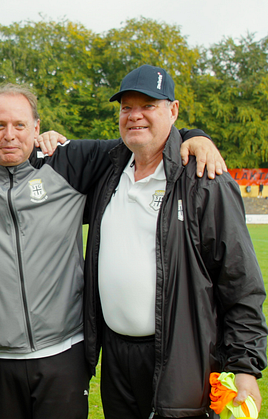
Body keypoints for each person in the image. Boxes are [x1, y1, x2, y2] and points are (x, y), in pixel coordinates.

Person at [0, 83, 225, 419]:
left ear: (37, 128)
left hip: (65, 351)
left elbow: (140, 139)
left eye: (20, 125)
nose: (10, 134)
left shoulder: (68, 162)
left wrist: (195, 136)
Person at [82, 64, 268, 418]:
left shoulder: (204, 180)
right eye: (126, 108)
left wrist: (245, 368)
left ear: (174, 110)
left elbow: (240, 282)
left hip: (182, 355)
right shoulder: (108, 172)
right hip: (117, 361)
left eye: (148, 105)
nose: (135, 116)